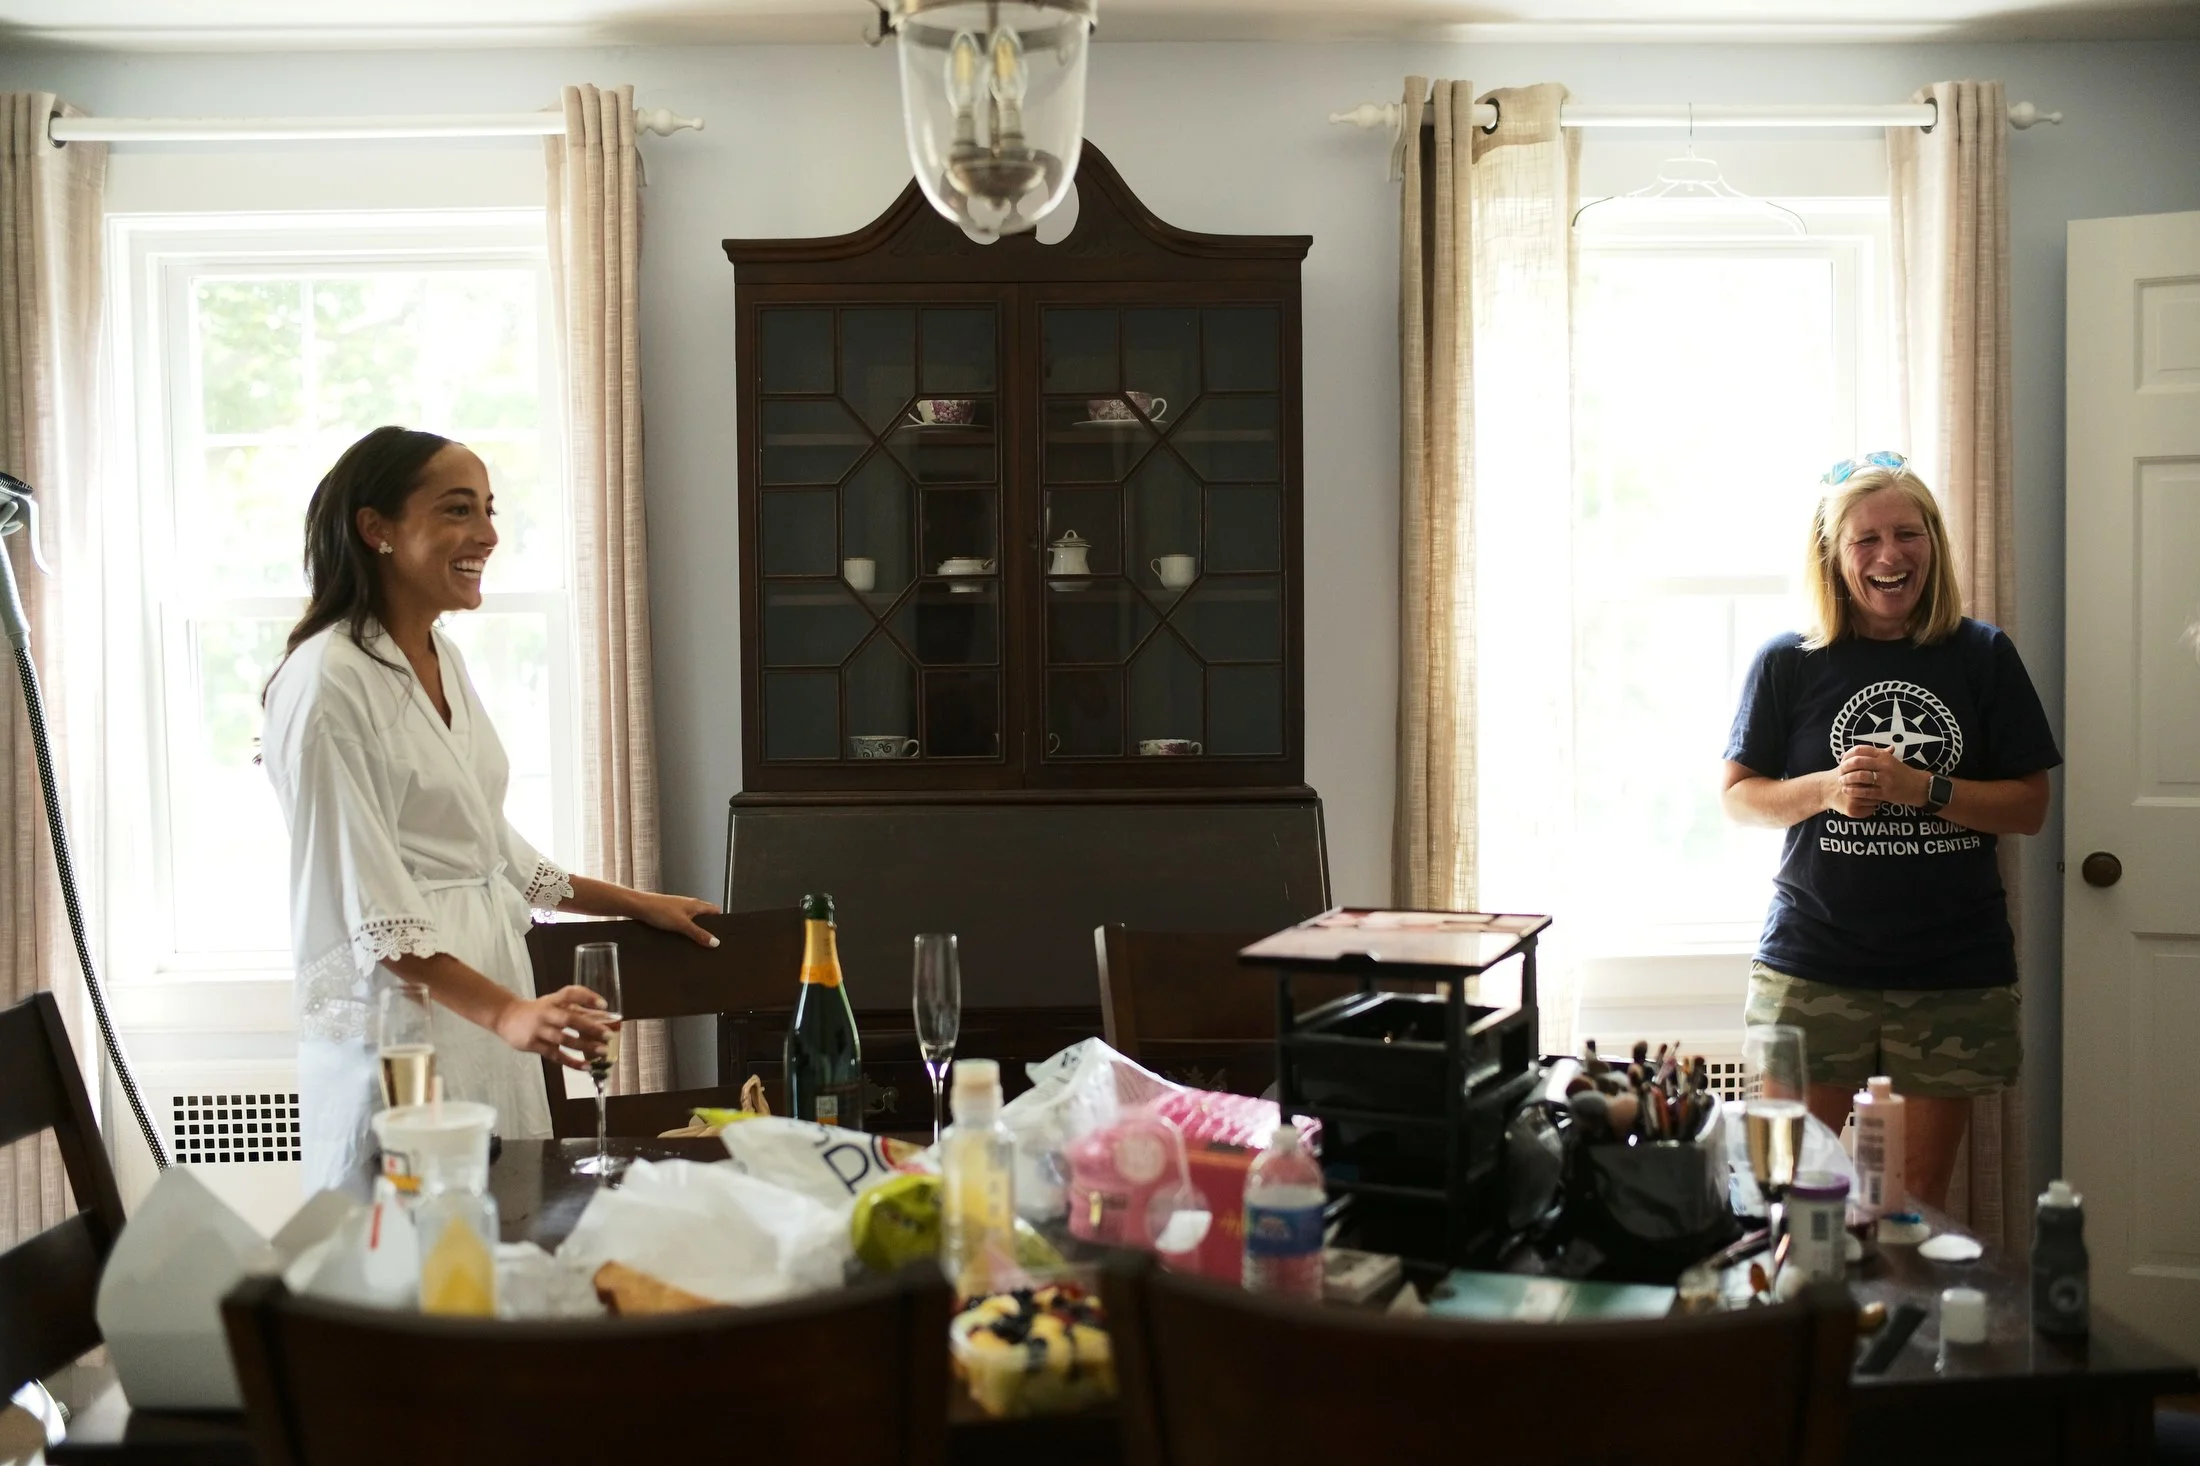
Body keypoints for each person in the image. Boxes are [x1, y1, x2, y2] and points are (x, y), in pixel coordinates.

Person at [263, 426, 720, 1192]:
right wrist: (508, 1012)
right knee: (408, 1232)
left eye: (488, 509)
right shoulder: (327, 682)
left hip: (486, 987)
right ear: (376, 528)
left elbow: (490, 847)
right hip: (402, 1018)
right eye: (457, 509)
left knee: (503, 1217)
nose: (487, 534)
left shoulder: (441, 656)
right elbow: (370, 906)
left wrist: (636, 903)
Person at [1721, 453, 2060, 1211]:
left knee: (1909, 1207)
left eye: (1908, 533)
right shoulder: (1788, 661)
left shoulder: (1983, 655)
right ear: (1833, 556)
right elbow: (1739, 799)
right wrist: (1826, 789)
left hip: (1951, 970)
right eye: (1866, 539)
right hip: (1813, 962)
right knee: (1786, 1193)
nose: (1889, 555)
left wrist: (1922, 788)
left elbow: (2030, 808)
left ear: (1932, 542)